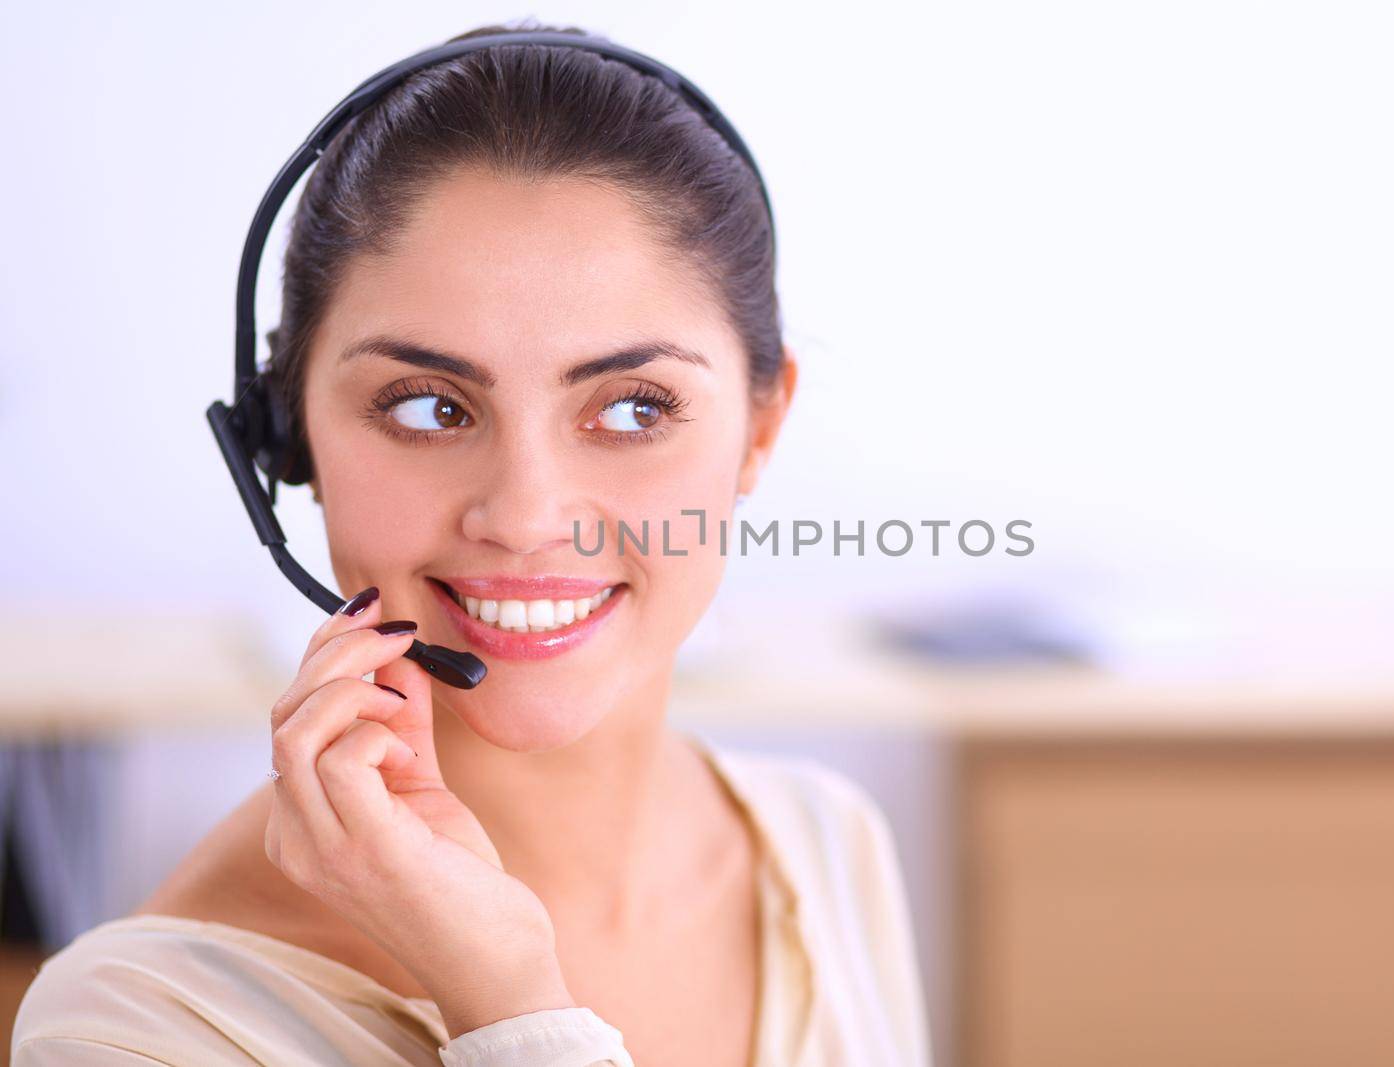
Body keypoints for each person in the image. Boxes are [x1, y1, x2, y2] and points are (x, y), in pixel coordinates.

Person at [10, 19, 930, 1067]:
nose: (528, 515)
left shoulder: (820, 844)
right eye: (428, 408)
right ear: (289, 437)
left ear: (760, 428)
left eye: (632, 408)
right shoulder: (135, 1029)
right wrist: (508, 1002)